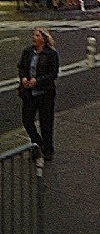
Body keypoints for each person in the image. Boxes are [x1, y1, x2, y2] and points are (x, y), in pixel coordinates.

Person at [18, 28, 59, 163]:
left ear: (44, 38)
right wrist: (24, 78)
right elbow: (22, 67)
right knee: (27, 121)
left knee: (46, 123)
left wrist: (38, 81)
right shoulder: (28, 51)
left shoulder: (51, 54)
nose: (34, 37)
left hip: (45, 93)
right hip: (29, 93)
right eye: (33, 35)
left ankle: (47, 150)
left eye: (37, 35)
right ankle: (38, 143)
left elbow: (53, 74)